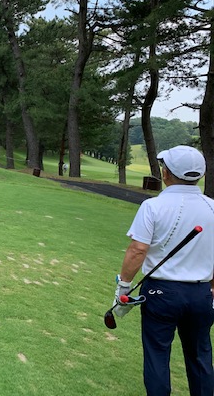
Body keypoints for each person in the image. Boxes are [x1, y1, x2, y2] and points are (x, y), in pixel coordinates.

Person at [112, 145, 214, 395]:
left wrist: (123, 287)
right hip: (201, 294)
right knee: (200, 356)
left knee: (157, 353)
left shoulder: (153, 206)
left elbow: (138, 250)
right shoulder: (212, 207)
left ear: (166, 173)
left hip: (161, 292)